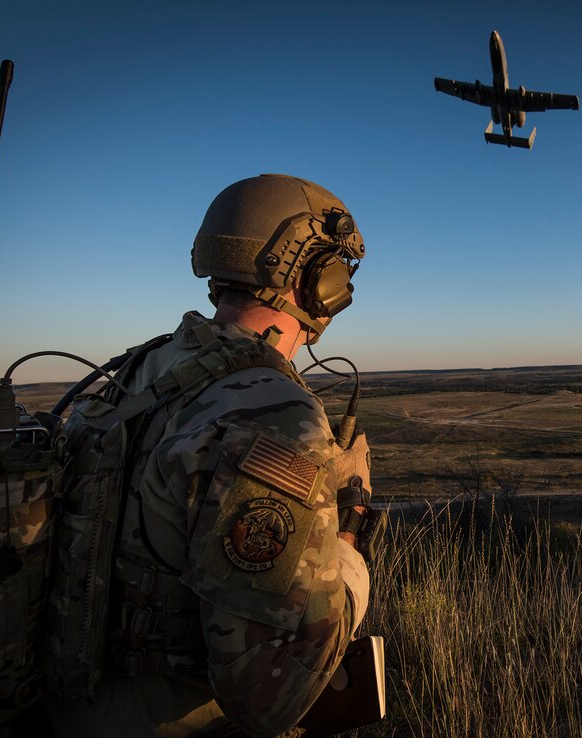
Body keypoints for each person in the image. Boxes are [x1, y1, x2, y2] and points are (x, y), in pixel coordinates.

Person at [44, 174, 373, 737]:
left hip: (68, 705)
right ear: (312, 276)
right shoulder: (274, 413)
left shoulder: (142, 369)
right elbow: (270, 698)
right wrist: (346, 543)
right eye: (337, 267)